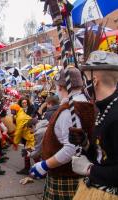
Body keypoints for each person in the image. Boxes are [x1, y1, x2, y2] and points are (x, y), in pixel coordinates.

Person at [30, 67, 95, 200]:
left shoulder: (68, 111)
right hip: (77, 174)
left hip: (66, 176)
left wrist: (44, 165)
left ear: (60, 87)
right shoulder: (87, 104)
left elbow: (71, 148)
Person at [69, 51, 118, 200]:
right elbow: (104, 155)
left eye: (86, 79)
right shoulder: (104, 108)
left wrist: (90, 169)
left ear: (94, 80)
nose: (85, 84)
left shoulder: (116, 114)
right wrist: (85, 143)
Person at [9, 104, 36, 175]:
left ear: (16, 110)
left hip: (30, 137)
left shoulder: (20, 117)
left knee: (33, 154)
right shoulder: (20, 113)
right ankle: (27, 168)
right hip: (29, 136)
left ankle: (40, 170)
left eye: (12, 110)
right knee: (28, 152)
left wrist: (15, 142)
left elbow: (18, 131)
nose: (11, 112)